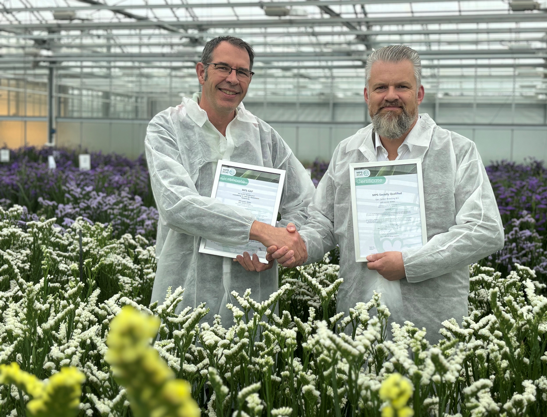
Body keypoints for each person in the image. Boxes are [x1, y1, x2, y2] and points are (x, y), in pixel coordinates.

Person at [268, 45, 504, 344]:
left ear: (419, 94)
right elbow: (323, 222)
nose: (390, 96)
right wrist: (300, 246)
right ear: (367, 95)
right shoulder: (348, 151)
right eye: (381, 87)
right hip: (359, 320)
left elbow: (484, 229)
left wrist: (411, 263)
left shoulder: (456, 151)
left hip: (431, 324)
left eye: (402, 86)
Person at [145, 36, 313, 328]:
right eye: (223, 68)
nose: (233, 79)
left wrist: (274, 248)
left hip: (252, 293)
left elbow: (303, 201)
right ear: (202, 72)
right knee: (181, 352)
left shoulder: (264, 136)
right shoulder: (167, 127)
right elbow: (176, 205)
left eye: (242, 72)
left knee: (249, 356)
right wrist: (260, 231)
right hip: (184, 292)